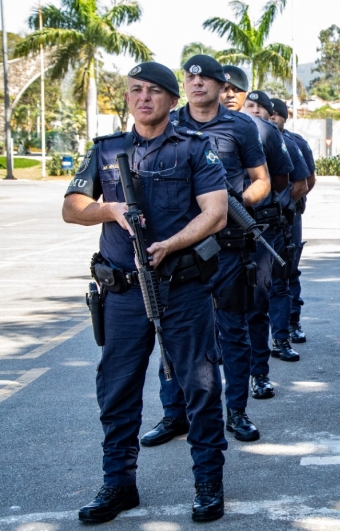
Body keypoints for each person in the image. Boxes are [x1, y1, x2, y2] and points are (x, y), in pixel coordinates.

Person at [64, 62, 229, 522]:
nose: (143, 98)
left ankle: (208, 484)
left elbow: (215, 213)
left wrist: (170, 245)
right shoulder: (106, 151)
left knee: (198, 386)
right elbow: (71, 208)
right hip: (122, 293)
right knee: (117, 390)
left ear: (172, 100)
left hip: (180, 287)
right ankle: (118, 485)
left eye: (154, 91)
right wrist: (109, 209)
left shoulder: (196, 149)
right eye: (135, 90)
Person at [144, 55, 269, 445]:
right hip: (177, 249)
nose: (197, 85)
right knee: (172, 334)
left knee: (232, 329)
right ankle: (174, 414)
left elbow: (261, 181)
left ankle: (237, 411)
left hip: (228, 246)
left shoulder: (241, 126)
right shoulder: (170, 122)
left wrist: (237, 205)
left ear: (222, 88)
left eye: (206, 80)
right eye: (191, 79)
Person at [241, 90, 295, 398]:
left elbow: (288, 180)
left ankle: (259, 372)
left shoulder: (267, 133)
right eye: (252, 106)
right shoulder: (186, 128)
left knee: (258, 302)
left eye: (261, 107)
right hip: (207, 231)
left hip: (258, 226)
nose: (256, 112)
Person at [271, 98, 317, 344]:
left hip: (289, 217)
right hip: (258, 220)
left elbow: (308, 180)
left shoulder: (295, 142)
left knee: (287, 272)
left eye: (276, 115)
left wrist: (286, 203)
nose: (271, 118)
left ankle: (292, 322)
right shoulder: (249, 140)